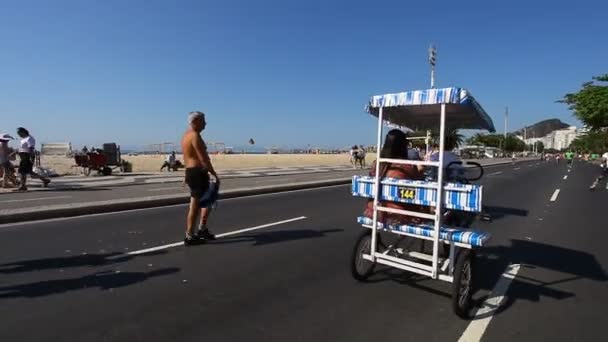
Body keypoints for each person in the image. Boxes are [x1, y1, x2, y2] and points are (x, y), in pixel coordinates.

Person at [364, 129, 427, 225]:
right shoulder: (406, 165)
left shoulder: (377, 164)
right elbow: (419, 184)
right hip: (399, 214)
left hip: (374, 209)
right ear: (403, 146)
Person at [181, 111, 220, 245]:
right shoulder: (195, 136)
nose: (205, 123)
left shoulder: (185, 136)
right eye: (203, 121)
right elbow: (203, 158)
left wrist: (186, 175)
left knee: (205, 201)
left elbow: (188, 157)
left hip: (191, 171)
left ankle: (199, 229)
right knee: (197, 204)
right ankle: (191, 234)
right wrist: (214, 174)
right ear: (196, 121)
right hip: (198, 173)